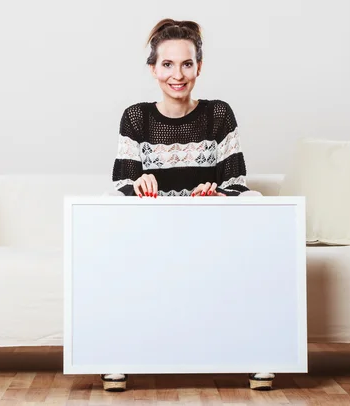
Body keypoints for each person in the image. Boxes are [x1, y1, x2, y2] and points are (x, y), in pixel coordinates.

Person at [105, 18, 273, 392]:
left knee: (258, 203)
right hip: (153, 232)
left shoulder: (218, 114)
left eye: (186, 64)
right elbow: (120, 184)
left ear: (199, 67)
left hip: (209, 229)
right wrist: (139, 183)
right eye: (167, 64)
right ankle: (116, 354)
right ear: (153, 69)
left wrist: (215, 195)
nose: (176, 75)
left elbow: (236, 182)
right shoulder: (136, 117)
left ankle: (258, 351)